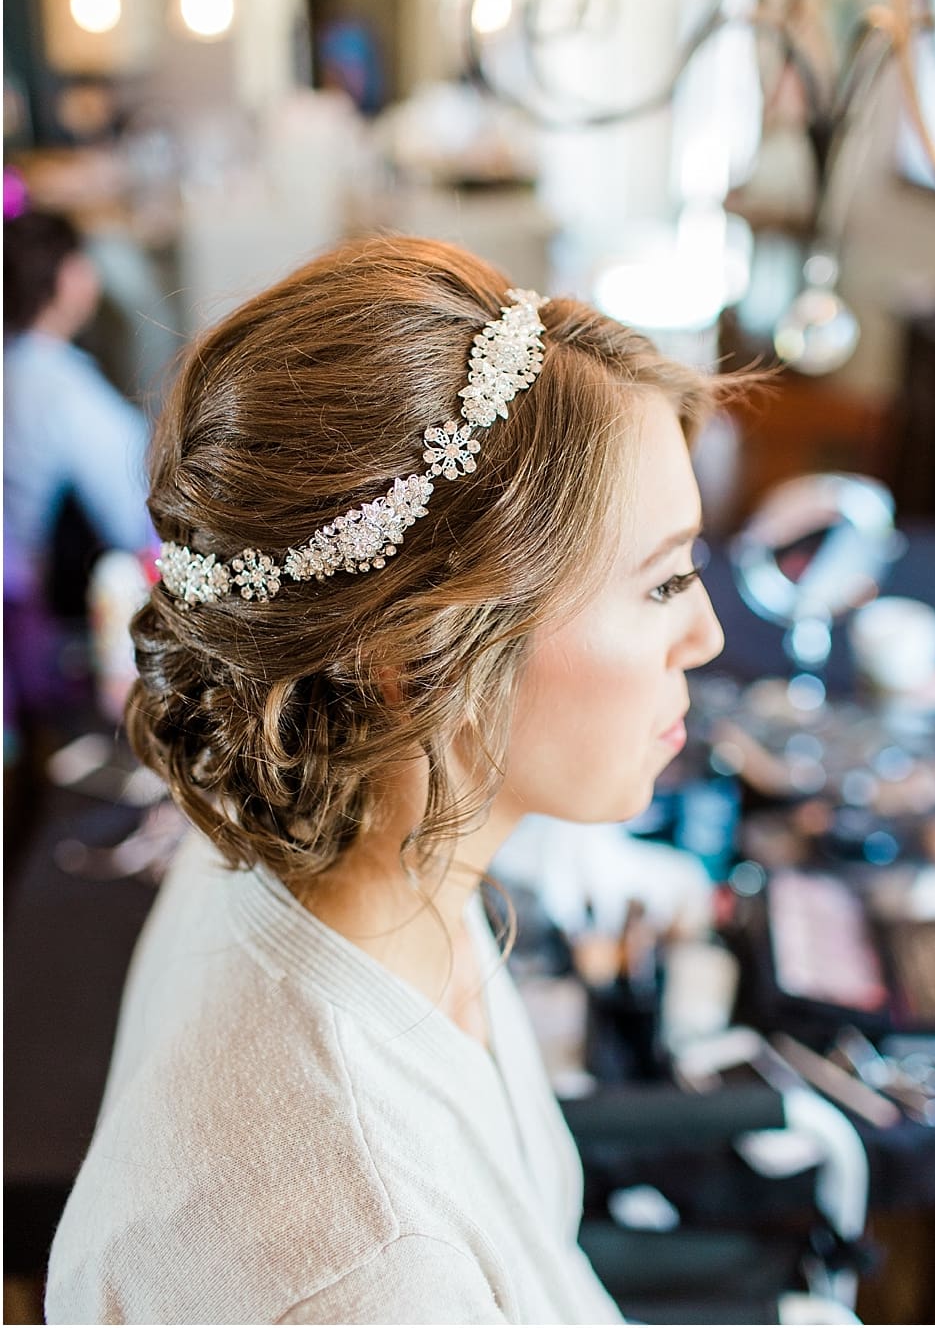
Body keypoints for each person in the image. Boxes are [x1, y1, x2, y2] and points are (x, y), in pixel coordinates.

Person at [47, 236, 735, 1322]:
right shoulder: (357, 1265)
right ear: (418, 654)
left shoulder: (361, 865)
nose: (706, 634)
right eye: (662, 583)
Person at [3, 210, 154, 722]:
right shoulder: (61, 388)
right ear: (66, 277)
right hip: (39, 616)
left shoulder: (16, 364)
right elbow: (134, 511)